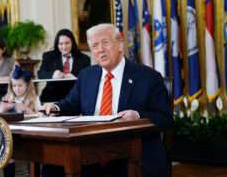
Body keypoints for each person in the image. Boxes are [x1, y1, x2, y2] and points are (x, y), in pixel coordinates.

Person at [43, 24, 173, 177]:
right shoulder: (86, 76)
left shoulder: (148, 77)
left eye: (105, 42)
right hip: (90, 153)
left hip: (132, 154)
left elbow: (165, 119)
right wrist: (55, 107)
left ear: (120, 44)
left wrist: (138, 116)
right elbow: (71, 103)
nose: (100, 50)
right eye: (95, 45)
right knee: (51, 167)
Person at [0, 65, 41, 177]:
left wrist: (25, 109)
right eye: (14, 86)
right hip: (12, 135)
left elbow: (40, 116)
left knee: (34, 154)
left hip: (30, 136)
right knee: (6, 151)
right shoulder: (8, 98)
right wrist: (3, 108)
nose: (17, 89)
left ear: (28, 85)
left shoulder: (34, 98)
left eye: (20, 85)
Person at [38, 29, 91, 102]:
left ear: (72, 43)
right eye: (61, 44)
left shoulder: (84, 59)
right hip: (52, 96)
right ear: (57, 44)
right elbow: (40, 74)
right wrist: (53, 75)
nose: (64, 47)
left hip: (75, 97)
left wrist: (75, 77)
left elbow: (88, 78)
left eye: (67, 43)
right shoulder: (48, 56)